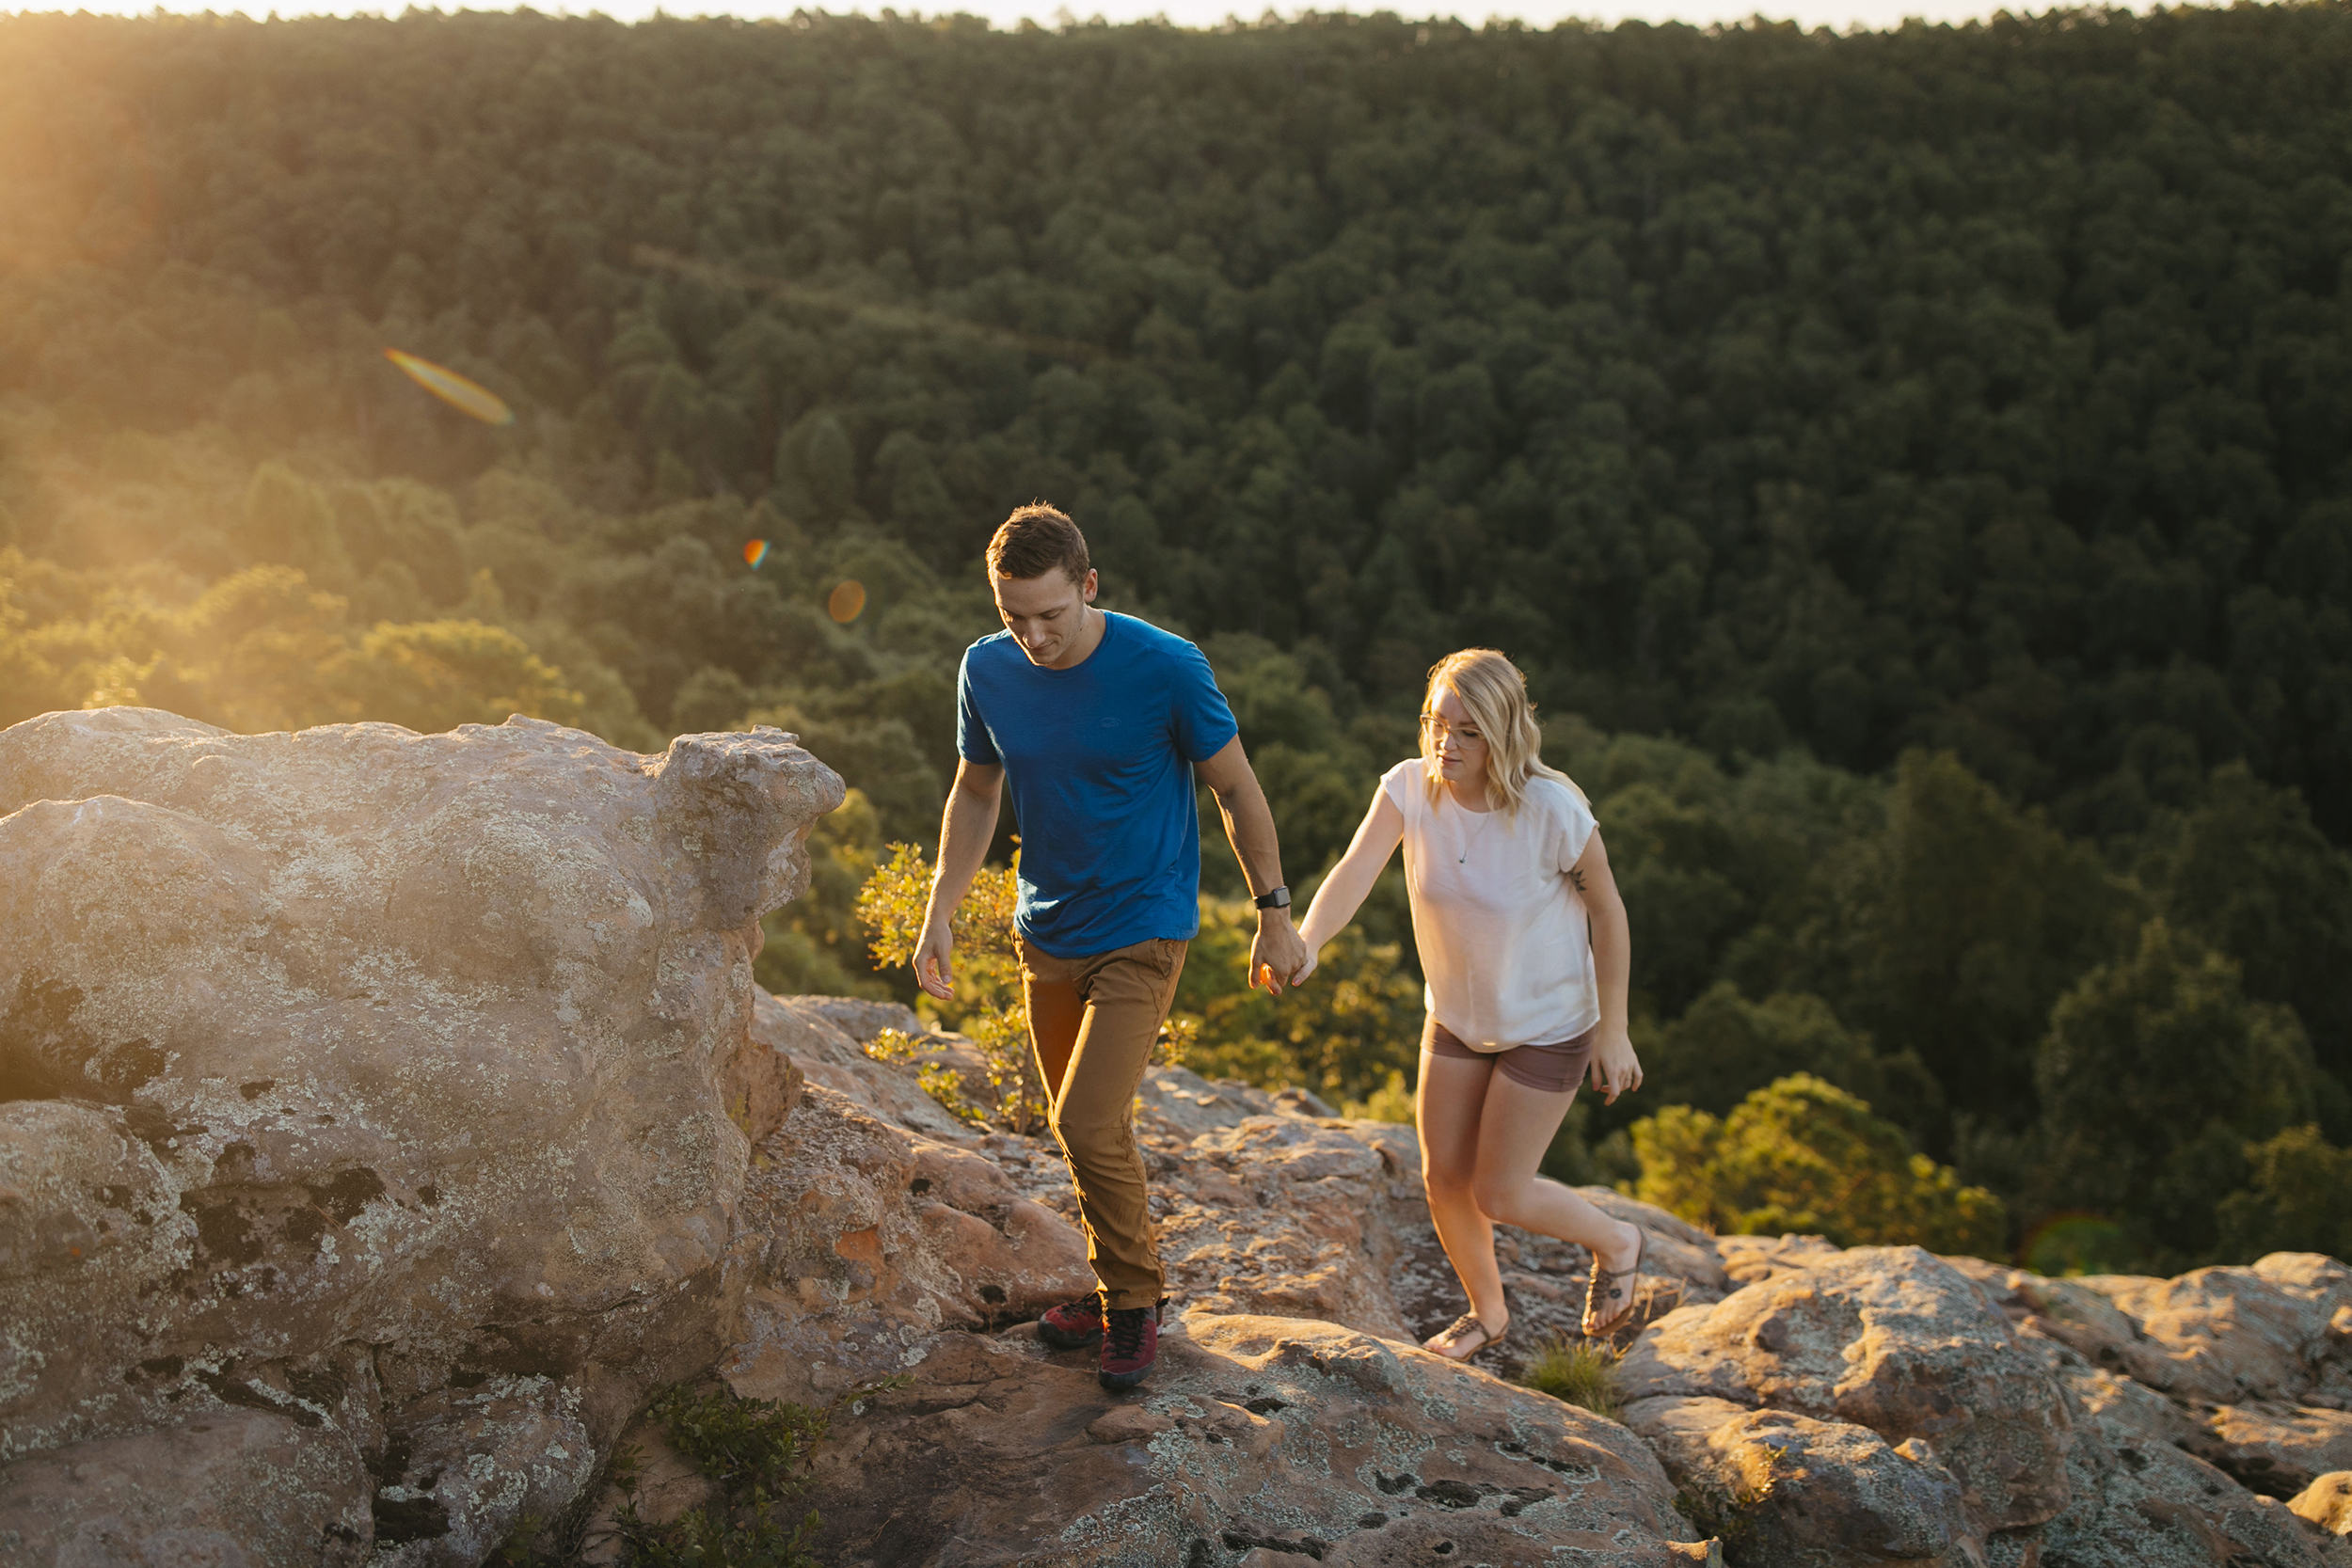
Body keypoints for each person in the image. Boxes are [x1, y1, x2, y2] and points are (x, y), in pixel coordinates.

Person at [914, 502, 1310, 1391]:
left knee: (1084, 1121)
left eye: (1050, 614)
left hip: (1145, 925)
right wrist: (943, 906)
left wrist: (1274, 913)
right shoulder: (989, 668)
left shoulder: (1166, 666)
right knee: (1088, 1129)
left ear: (1090, 586)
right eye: (1015, 617)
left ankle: (1133, 1305)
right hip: (1046, 931)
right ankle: (1115, 1281)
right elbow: (976, 791)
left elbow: (1239, 792)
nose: (1033, 637)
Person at [1292, 649, 1645, 1356]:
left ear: (1503, 732)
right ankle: (1489, 1314)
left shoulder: (1553, 810)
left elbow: (1608, 910)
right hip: (1455, 1014)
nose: (1444, 743)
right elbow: (1356, 868)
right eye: (1434, 723)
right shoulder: (1408, 789)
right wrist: (1308, 941)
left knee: (1500, 1192)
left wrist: (1615, 1029)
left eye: (1467, 730)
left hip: (1548, 1022)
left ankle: (1618, 1240)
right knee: (1443, 1176)